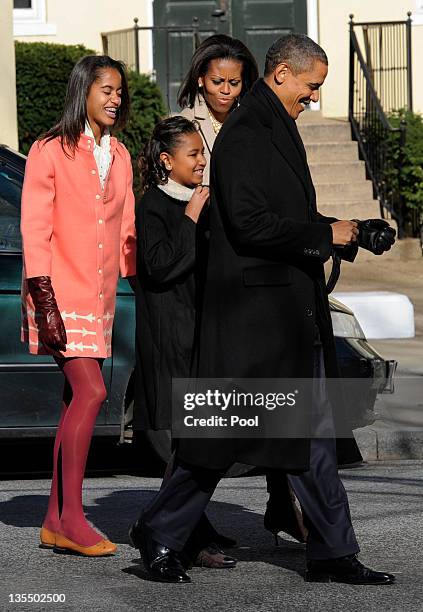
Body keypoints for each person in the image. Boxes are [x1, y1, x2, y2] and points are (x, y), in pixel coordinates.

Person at [135, 34, 396, 585]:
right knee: (219, 438)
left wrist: (347, 232)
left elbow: (286, 213)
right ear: (281, 74)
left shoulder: (271, 126)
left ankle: (331, 552)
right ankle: (160, 531)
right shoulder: (248, 134)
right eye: (312, 85)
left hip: (284, 316)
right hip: (255, 321)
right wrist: (329, 233)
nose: (316, 97)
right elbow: (251, 224)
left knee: (313, 438)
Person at [20, 55, 136, 557]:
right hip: (57, 295)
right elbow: (34, 227)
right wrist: (43, 300)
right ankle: (72, 518)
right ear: (83, 91)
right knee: (91, 392)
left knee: (75, 402)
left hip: (99, 296)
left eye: (119, 92)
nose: (114, 98)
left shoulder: (124, 156)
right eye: (105, 89)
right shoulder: (49, 150)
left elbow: (128, 234)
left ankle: (53, 518)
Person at [130, 116, 237, 570]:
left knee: (199, 436)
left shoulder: (206, 202)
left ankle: (187, 527)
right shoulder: (153, 205)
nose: (201, 161)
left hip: (201, 335)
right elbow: (160, 268)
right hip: (169, 337)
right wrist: (191, 219)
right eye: (192, 154)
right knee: (181, 439)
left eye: (202, 153)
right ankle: (173, 530)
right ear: (166, 160)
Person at [177, 34, 259, 185]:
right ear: (201, 79)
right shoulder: (184, 124)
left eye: (234, 83)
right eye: (217, 82)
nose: (226, 90)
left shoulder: (252, 122)